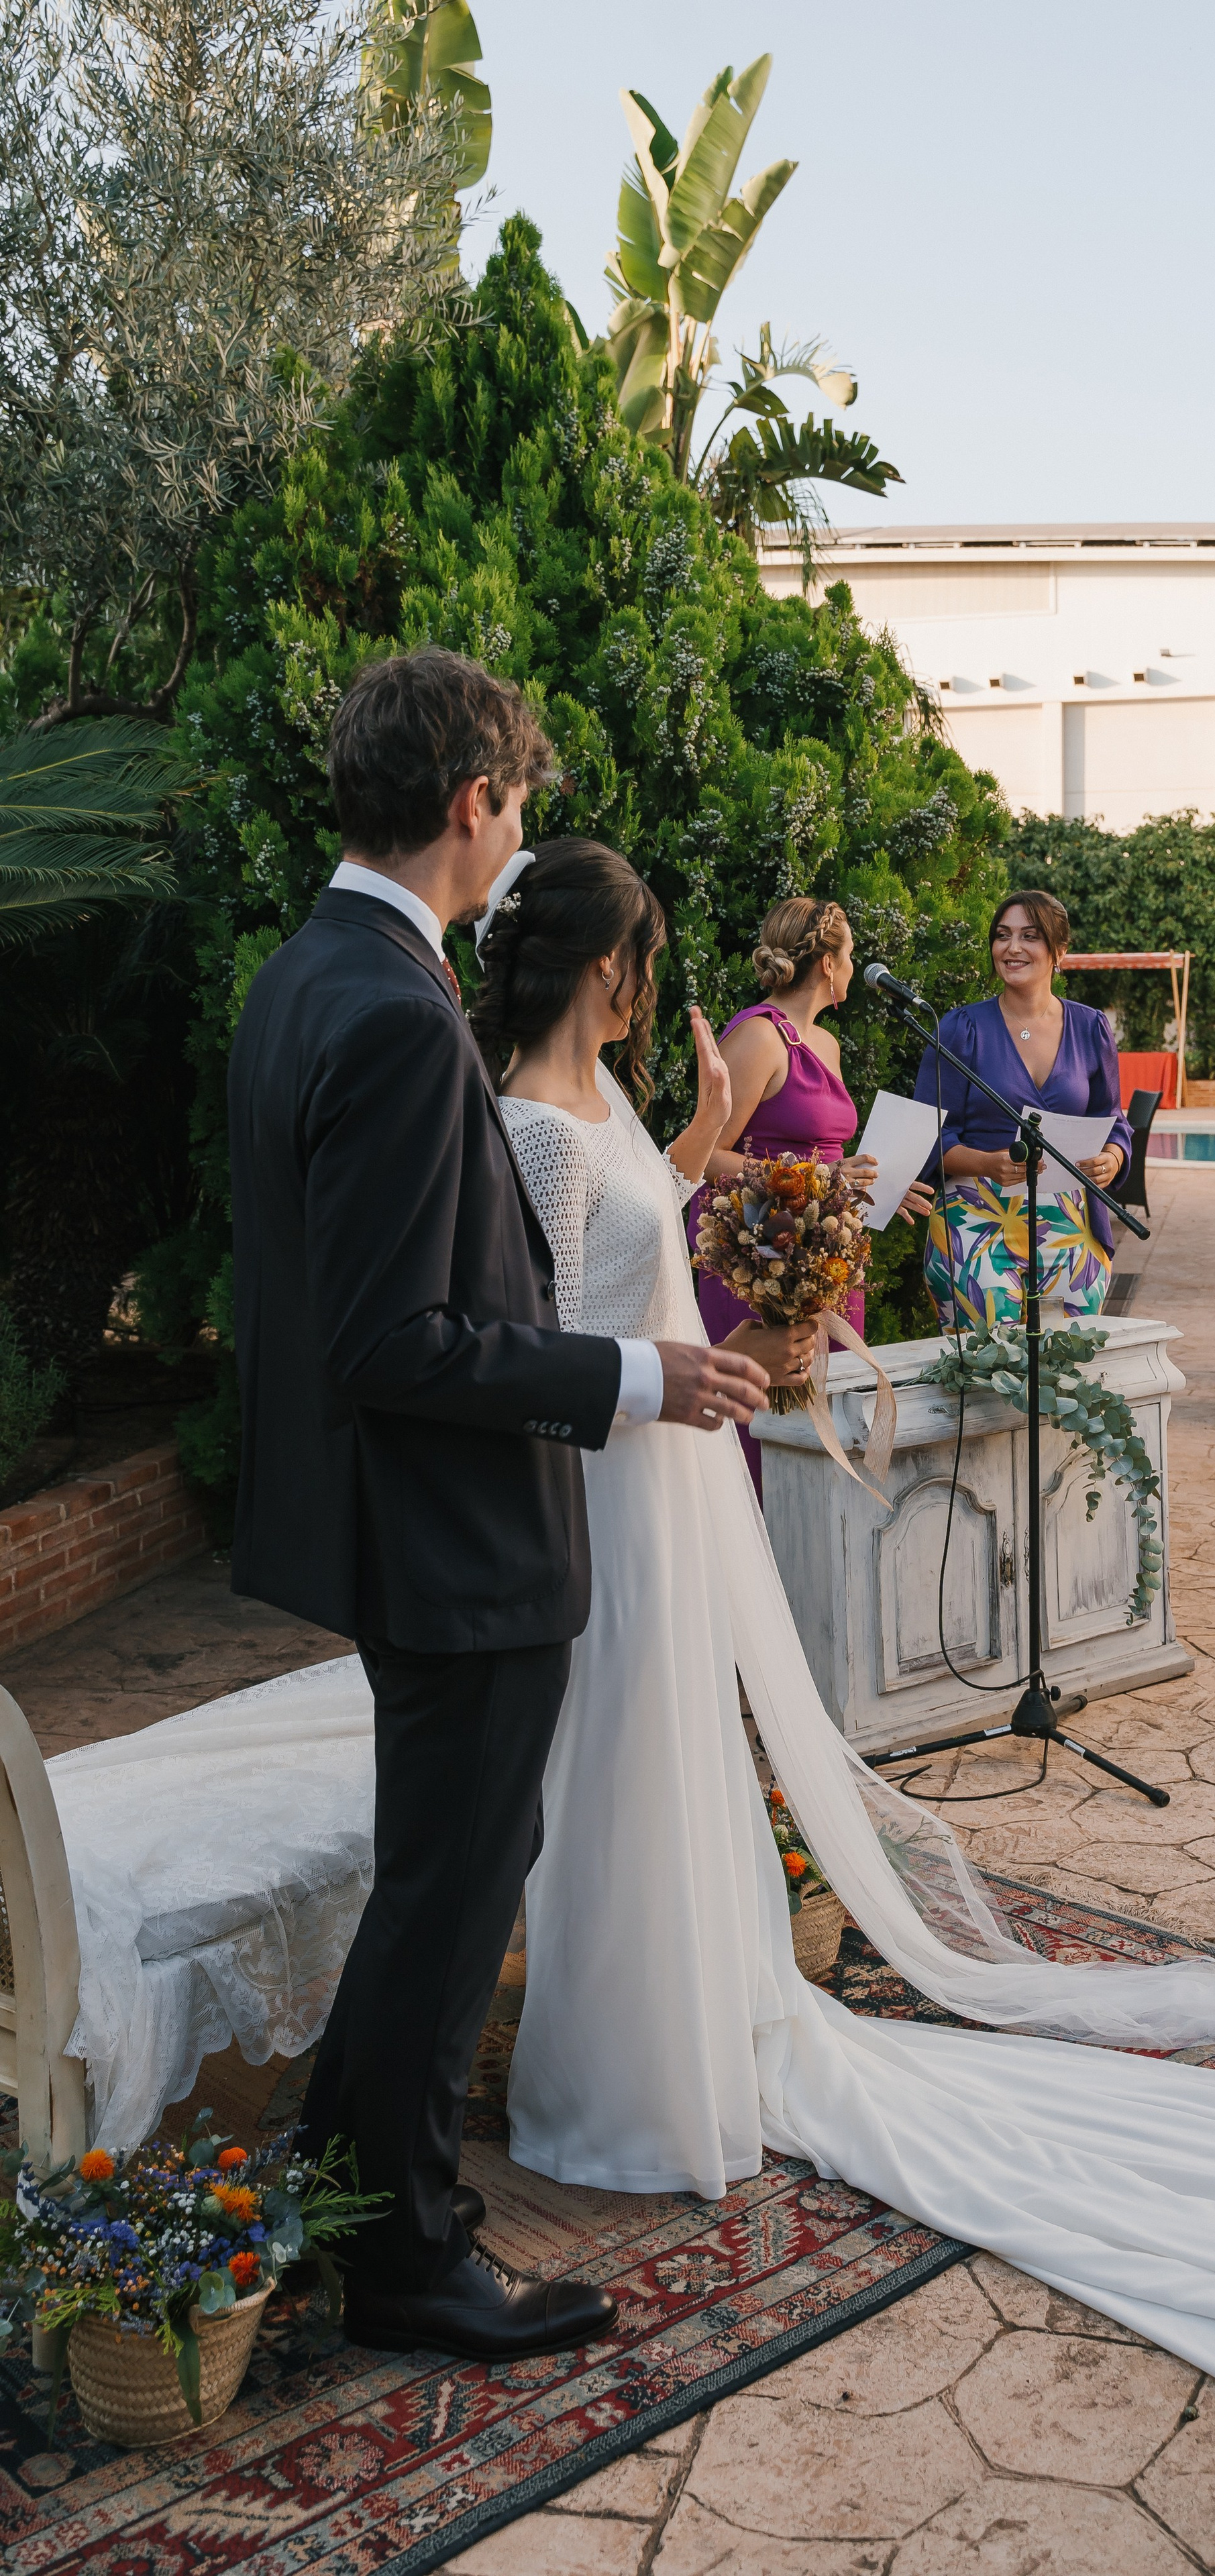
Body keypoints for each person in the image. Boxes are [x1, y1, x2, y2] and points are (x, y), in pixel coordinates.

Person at [186, 839, 1215, 2571]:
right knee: (552, 1811)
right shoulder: (521, 1117)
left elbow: (622, 1248)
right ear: (606, 970)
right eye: (642, 962)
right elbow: (521, 1324)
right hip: (586, 1483)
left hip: (646, 1468)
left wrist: (696, 1151)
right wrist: (659, 1355)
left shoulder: (588, 1097)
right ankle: (526, 2121)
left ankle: (576, 2079)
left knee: (625, 1783)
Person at [225, 647, 770, 2362]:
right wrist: (633, 1379)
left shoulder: (308, 973)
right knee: (455, 1889)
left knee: (435, 1874)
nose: (518, 823)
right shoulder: (392, 1010)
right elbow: (400, 1334)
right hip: (457, 1537)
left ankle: (332, 2190)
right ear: (473, 801)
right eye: (516, 796)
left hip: (394, 1526)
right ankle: (411, 2258)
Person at [691, 897, 926, 1494]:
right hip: (762, 1264)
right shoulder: (760, 1037)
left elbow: (830, 1161)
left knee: (826, 1417)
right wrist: (820, 1182)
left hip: (821, 1261)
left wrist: (879, 1190)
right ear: (828, 963)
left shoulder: (826, 1045)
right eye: (851, 955)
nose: (854, 966)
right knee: (764, 1430)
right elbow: (704, 1157)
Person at [912, 890, 1130, 1330]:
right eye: (1002, 936)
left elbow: (1114, 1121)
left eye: (1029, 936)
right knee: (992, 1371)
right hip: (975, 1219)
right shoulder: (960, 1028)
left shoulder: (1091, 1028)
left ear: (1059, 951)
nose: (1012, 948)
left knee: (1067, 1373)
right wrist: (987, 1164)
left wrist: (1111, 1158)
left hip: (1069, 1222)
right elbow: (929, 1134)